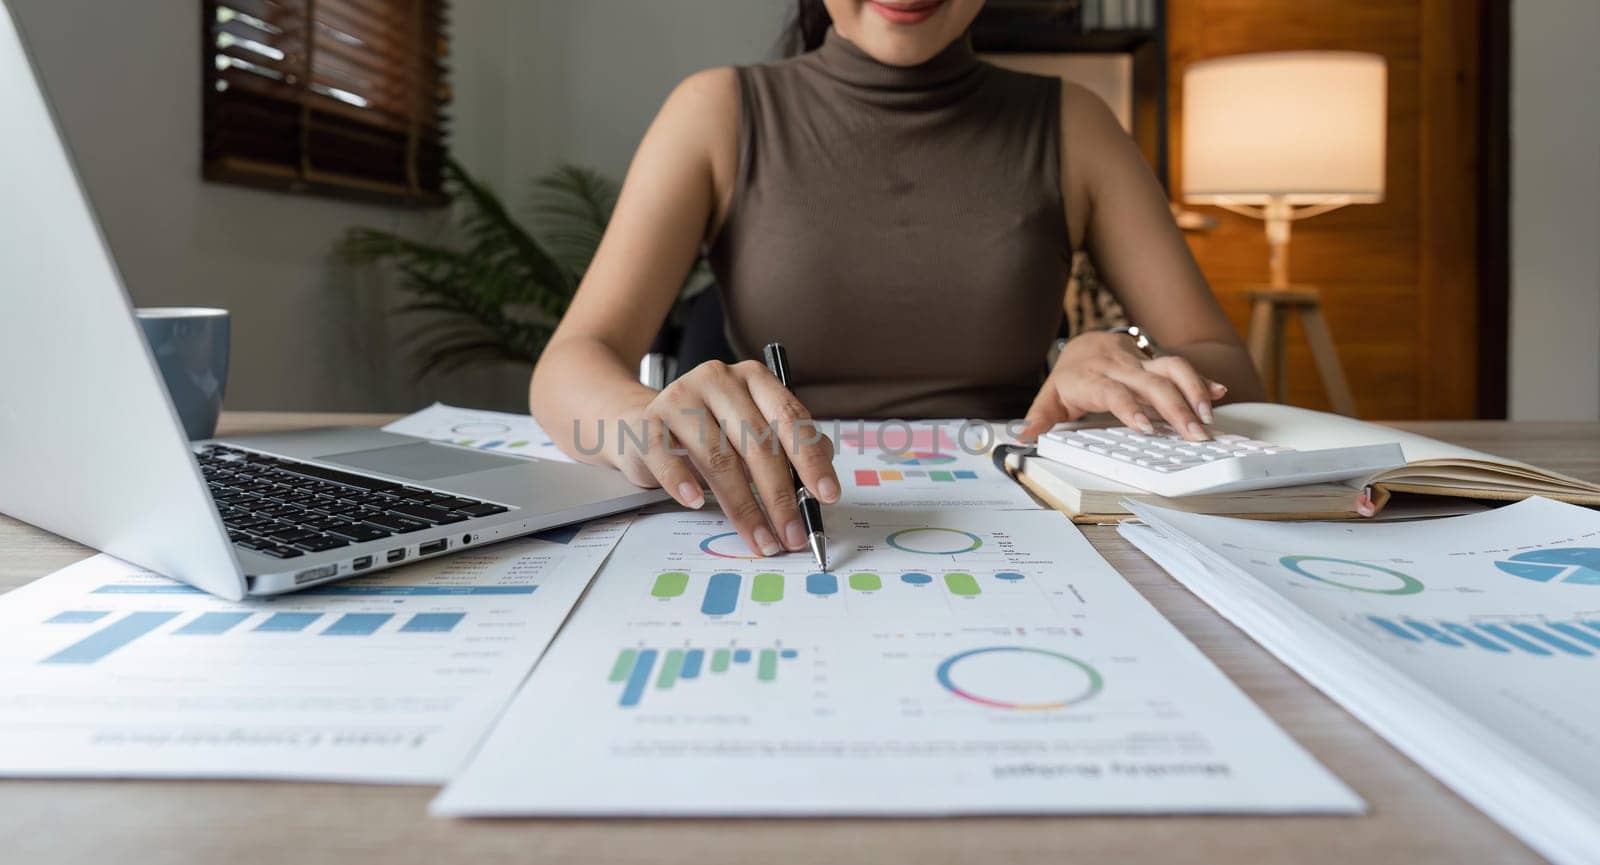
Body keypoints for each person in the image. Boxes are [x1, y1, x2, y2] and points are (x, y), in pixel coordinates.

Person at [529, 0, 1266, 559]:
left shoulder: (1077, 125)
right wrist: (647, 420)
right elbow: (571, 363)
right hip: (774, 532)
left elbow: (1230, 365)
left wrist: (1122, 360)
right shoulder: (716, 112)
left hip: (1027, 531)